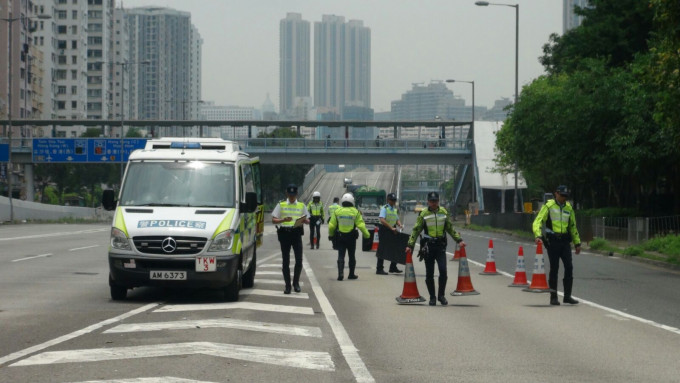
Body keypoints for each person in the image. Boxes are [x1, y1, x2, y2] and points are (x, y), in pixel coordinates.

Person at [406, 192, 466, 306]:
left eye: (436, 201)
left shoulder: (443, 212)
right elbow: (416, 230)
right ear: (428, 201)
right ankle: (432, 297)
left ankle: (441, 296)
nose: (434, 203)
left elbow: (450, 228)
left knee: (443, 271)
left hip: (440, 246)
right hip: (428, 247)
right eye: (432, 201)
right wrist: (410, 245)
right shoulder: (423, 214)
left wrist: (459, 240)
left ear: (438, 201)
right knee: (429, 273)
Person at [532, 185, 582, 306]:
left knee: (569, 267)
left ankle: (567, 296)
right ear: (556, 194)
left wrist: (577, 243)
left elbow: (573, 226)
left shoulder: (569, 208)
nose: (564, 198)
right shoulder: (549, 206)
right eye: (562, 195)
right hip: (553, 241)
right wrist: (538, 235)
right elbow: (538, 221)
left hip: (565, 241)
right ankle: (553, 297)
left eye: (565, 196)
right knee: (554, 269)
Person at [272, 184, 310, 294]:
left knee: (299, 260)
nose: (292, 197)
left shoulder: (302, 205)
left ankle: (296, 283)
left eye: (293, 195)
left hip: (296, 234)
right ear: (287, 194)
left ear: (296, 194)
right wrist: (283, 220)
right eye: (290, 195)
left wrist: (305, 221)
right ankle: (287, 285)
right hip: (285, 234)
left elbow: (308, 220)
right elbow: (274, 219)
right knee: (285, 261)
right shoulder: (281, 204)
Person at [328, 193, 371, 281]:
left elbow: (331, 226)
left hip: (340, 237)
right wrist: (367, 235)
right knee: (351, 256)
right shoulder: (356, 212)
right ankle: (351, 274)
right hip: (351, 238)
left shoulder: (337, 212)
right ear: (352, 201)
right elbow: (361, 225)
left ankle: (340, 273)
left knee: (341, 255)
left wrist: (331, 235)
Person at [376, 192, 404, 275]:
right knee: (382, 249)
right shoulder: (384, 208)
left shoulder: (394, 209)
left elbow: (396, 219)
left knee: (395, 248)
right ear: (388, 200)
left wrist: (400, 224)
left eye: (394, 200)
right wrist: (391, 228)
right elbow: (382, 220)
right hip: (385, 230)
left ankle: (393, 267)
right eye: (392, 200)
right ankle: (379, 268)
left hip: (392, 229)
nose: (393, 202)